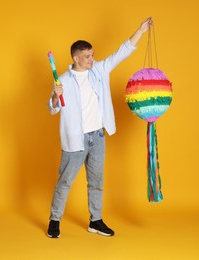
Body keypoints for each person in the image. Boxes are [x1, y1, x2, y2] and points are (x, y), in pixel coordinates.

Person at [46, 17, 153, 238]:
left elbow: (123, 51)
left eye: (92, 55)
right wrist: (55, 98)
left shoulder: (100, 71)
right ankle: (55, 220)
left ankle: (96, 221)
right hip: (75, 139)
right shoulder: (63, 81)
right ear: (76, 58)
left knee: (96, 182)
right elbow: (52, 109)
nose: (92, 59)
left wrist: (141, 30)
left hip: (98, 136)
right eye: (87, 57)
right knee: (65, 181)